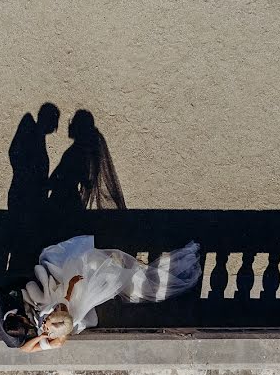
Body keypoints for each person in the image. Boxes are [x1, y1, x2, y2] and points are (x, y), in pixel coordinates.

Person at [17, 235, 201, 352]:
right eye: (49, 320)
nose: (47, 321)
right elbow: (66, 297)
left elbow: (24, 350)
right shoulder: (61, 314)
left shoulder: (56, 332)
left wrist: (41, 336)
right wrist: (72, 283)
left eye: (48, 322)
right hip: (71, 308)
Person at [47, 109, 127, 216]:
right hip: (69, 200)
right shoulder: (83, 152)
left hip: (63, 201)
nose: (70, 125)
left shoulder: (76, 152)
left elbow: (60, 176)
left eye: (74, 122)